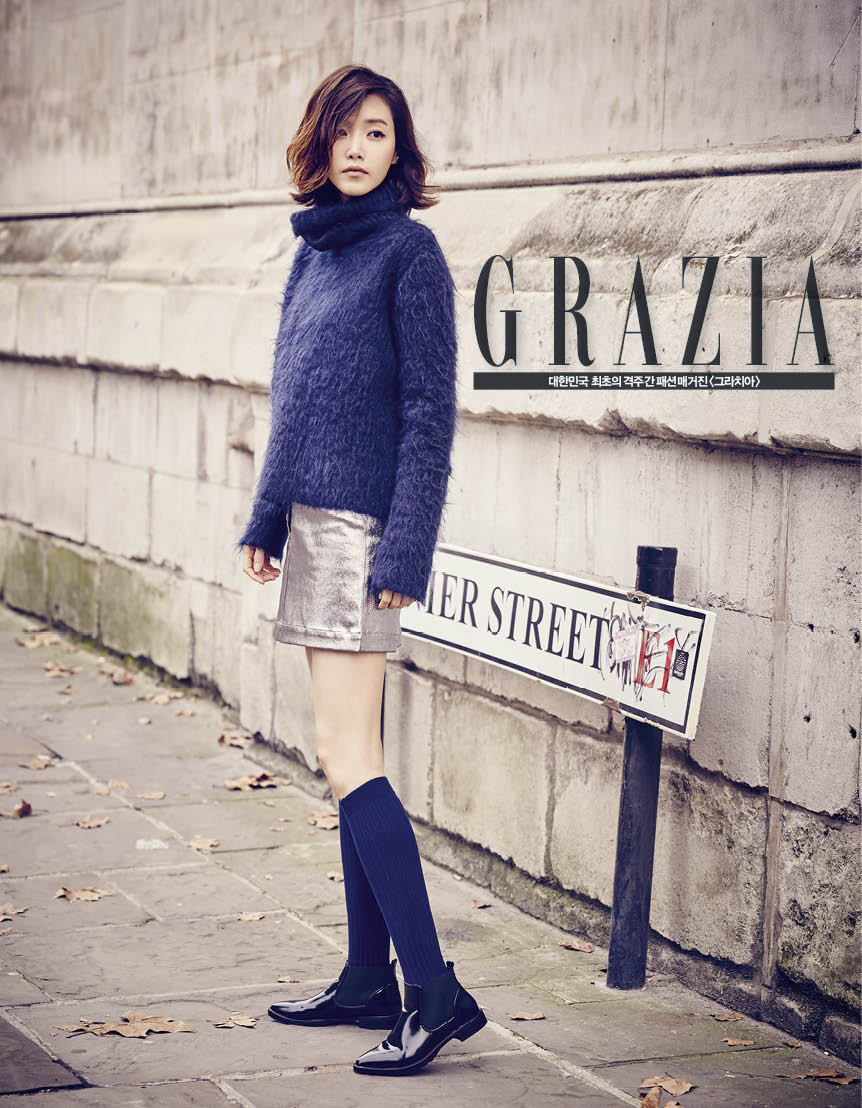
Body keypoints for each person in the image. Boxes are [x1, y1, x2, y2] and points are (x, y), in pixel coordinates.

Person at [233, 64, 486, 1077]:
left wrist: (405, 547)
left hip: (360, 536)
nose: (357, 146)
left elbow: (429, 415)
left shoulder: (408, 255)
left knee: (350, 758)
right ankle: (363, 979)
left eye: (376, 131)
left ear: (398, 151)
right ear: (318, 140)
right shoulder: (312, 253)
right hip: (308, 524)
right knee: (348, 753)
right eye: (344, 127)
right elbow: (292, 398)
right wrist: (266, 512)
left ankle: (433, 992)